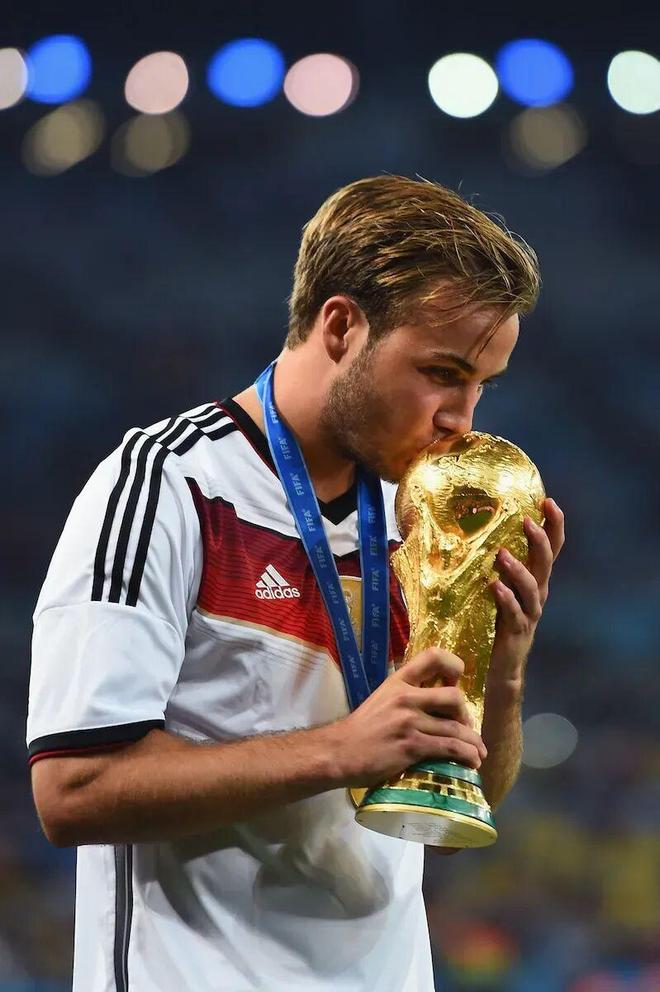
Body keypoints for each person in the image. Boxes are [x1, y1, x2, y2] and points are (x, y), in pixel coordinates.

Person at [27, 174, 565, 992]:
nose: (463, 417)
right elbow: (73, 789)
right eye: (442, 372)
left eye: (481, 385)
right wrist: (342, 750)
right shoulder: (169, 486)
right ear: (341, 326)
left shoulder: (425, 521)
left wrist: (507, 668)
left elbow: (453, 819)